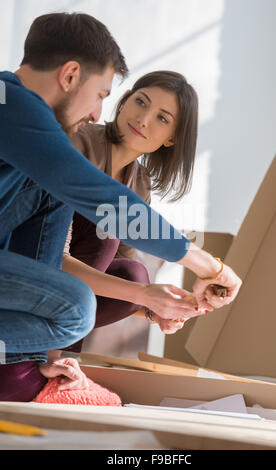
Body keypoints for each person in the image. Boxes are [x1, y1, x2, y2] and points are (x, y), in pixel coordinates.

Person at [0, 12, 241, 401]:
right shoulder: (13, 105)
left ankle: (29, 362)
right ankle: (23, 366)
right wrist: (209, 266)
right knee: (77, 309)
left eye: (162, 118)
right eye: (100, 94)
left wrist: (151, 303)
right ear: (70, 75)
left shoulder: (14, 103)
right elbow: (103, 199)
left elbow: (102, 206)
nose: (97, 112)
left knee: (106, 254)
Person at [61, 70, 200, 354]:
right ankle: (58, 356)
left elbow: (120, 268)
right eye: (141, 102)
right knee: (106, 232)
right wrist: (145, 297)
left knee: (135, 273)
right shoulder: (80, 144)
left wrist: (151, 309)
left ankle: (56, 352)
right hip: (34, 266)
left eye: (162, 118)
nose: (143, 119)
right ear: (124, 100)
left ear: (171, 139)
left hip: (67, 293)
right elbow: (53, 257)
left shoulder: (140, 184)